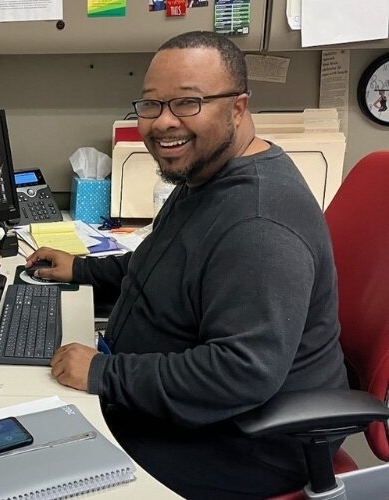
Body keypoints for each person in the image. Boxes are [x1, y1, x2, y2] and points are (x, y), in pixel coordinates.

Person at [26, 30, 347, 499]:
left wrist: (103, 374)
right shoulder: (207, 173)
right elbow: (172, 264)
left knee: (41, 475)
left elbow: (241, 372)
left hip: (238, 443)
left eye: (188, 103)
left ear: (238, 108)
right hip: (182, 407)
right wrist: (83, 270)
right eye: (152, 105)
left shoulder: (259, 223)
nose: (162, 123)